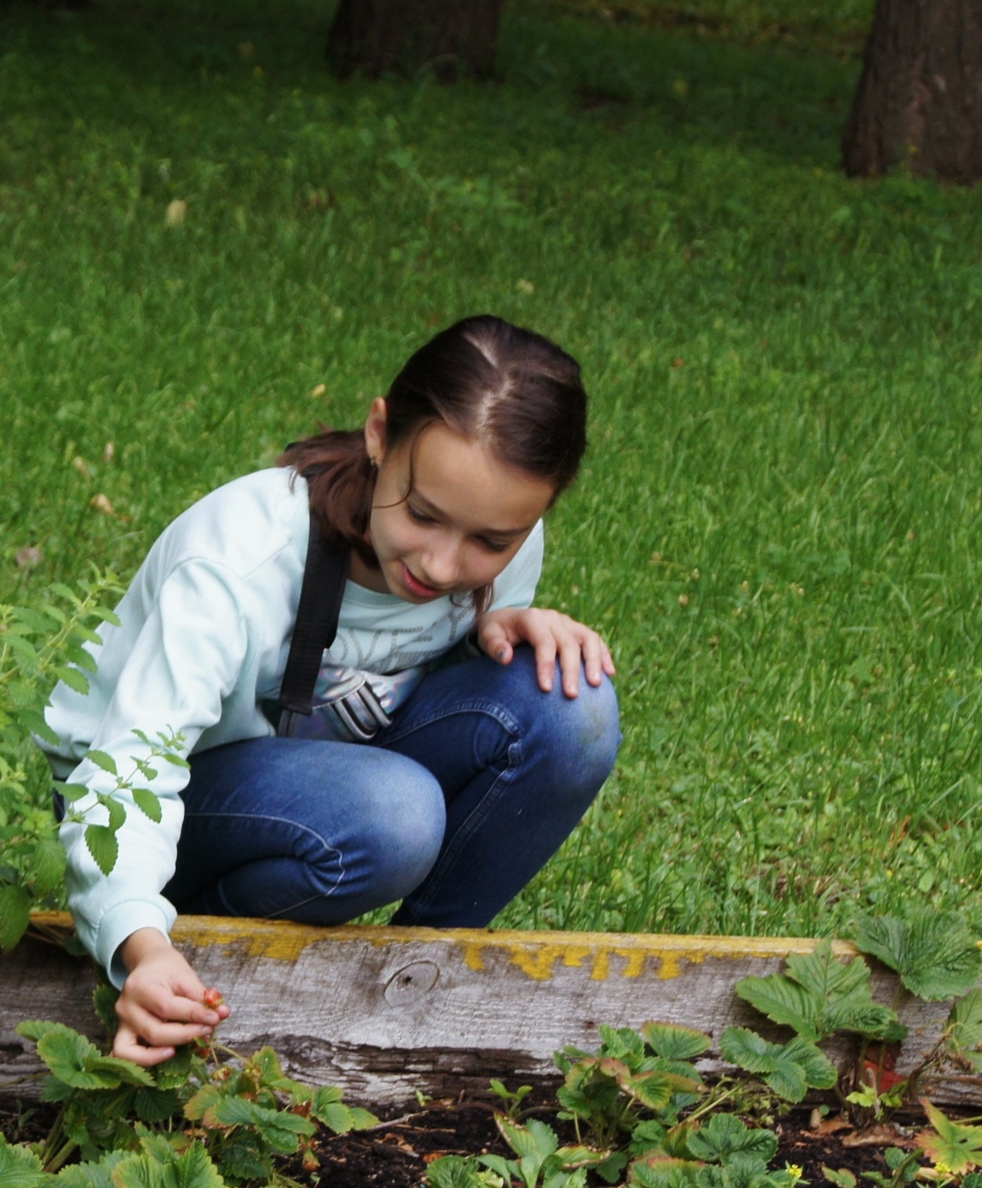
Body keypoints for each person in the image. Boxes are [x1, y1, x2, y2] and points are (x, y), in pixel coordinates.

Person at [43, 315, 619, 1065]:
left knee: (571, 706)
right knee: (394, 815)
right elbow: (130, 765)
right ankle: (196, 952)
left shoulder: (498, 542)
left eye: (491, 542)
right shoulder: (242, 556)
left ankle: (414, 989)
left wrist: (502, 627)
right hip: (170, 804)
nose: (444, 567)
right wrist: (140, 945)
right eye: (422, 514)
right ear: (380, 434)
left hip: (332, 780)